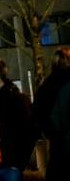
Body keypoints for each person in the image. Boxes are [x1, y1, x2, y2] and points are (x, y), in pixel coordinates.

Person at [0, 58, 36, 181]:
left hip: (9, 165)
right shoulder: (4, 98)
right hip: (5, 164)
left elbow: (29, 132)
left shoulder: (14, 99)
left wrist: (18, 164)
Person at [34, 47, 70, 181]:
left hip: (55, 139)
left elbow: (37, 111)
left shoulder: (46, 85)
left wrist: (47, 131)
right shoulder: (66, 82)